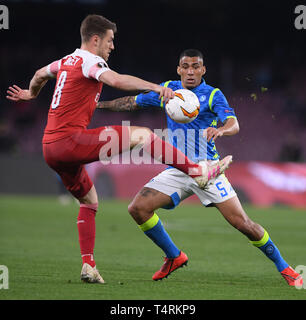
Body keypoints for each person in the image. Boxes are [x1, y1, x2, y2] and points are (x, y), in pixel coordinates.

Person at [6, 16, 232, 284]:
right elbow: (116, 79)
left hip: (50, 148)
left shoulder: (65, 61)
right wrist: (155, 87)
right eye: (110, 40)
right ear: (95, 39)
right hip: (69, 141)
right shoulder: (91, 61)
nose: (112, 46)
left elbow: (39, 75)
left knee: (89, 201)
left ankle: (89, 266)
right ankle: (197, 172)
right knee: (143, 135)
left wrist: (31, 95)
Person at [97, 49, 303, 286]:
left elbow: (233, 123)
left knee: (243, 224)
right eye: (185, 66)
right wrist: (98, 105)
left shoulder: (213, 94)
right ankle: (174, 256)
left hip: (208, 169)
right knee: (138, 209)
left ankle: (285, 268)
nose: (190, 71)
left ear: (203, 70)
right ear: (178, 69)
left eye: (196, 66)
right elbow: (132, 103)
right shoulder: (168, 90)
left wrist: (221, 130)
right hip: (177, 168)